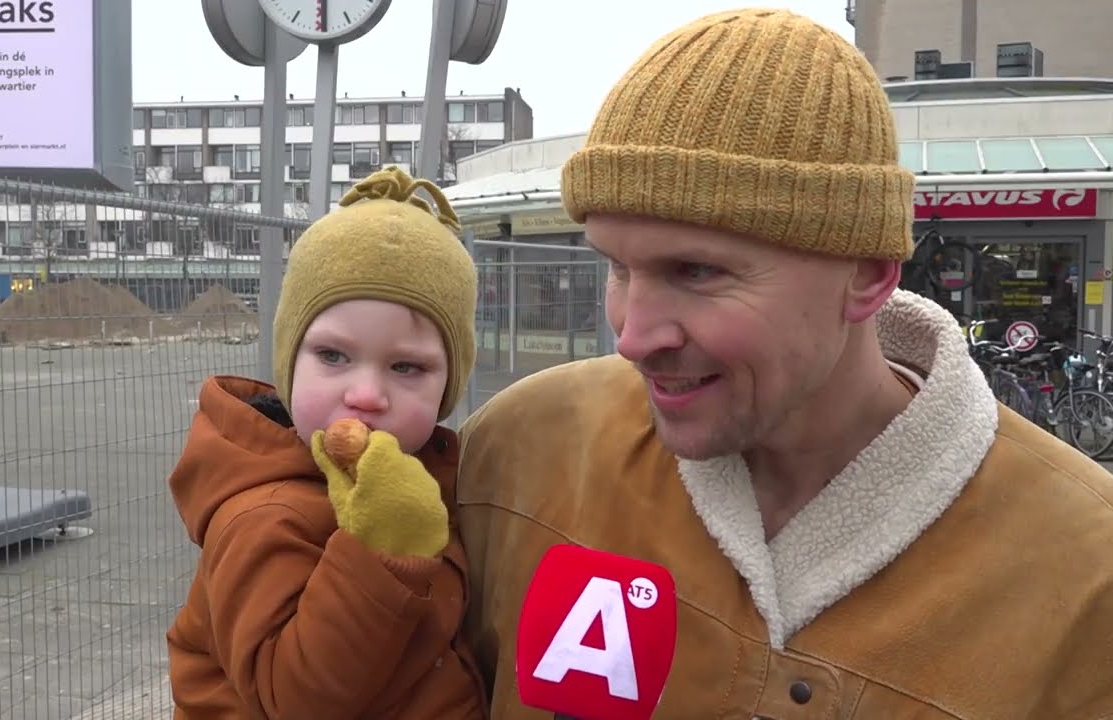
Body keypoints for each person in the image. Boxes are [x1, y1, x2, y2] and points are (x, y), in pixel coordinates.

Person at [455, 8, 1113, 719]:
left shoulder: (1086, 573)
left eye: (697, 271)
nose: (632, 337)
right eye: (617, 268)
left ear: (866, 273)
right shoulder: (523, 450)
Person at [166, 166, 487, 719]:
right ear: (290, 363)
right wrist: (382, 549)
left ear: (447, 388)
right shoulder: (264, 514)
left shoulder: (427, 478)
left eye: (406, 366)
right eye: (333, 356)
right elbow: (296, 700)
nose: (365, 395)